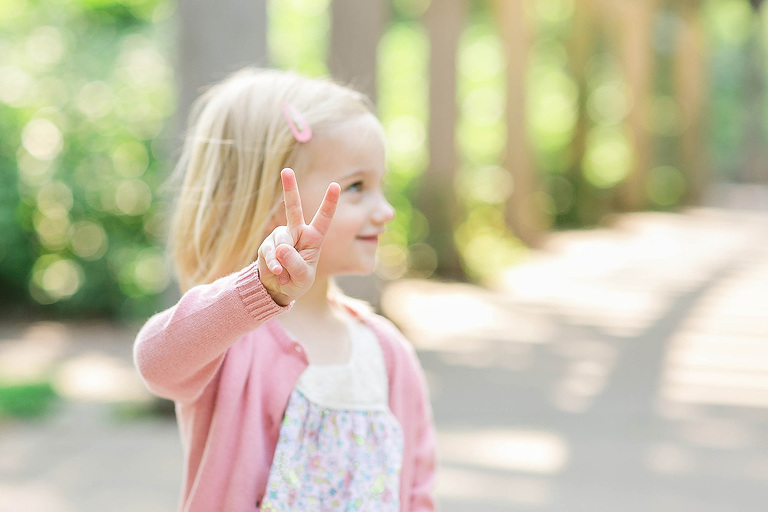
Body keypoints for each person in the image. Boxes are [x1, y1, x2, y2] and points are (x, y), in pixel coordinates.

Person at [133, 68, 437, 512]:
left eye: (380, 185)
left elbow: (417, 492)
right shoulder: (230, 339)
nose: (386, 210)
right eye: (357, 187)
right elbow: (156, 362)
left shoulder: (389, 354)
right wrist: (260, 290)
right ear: (278, 201)